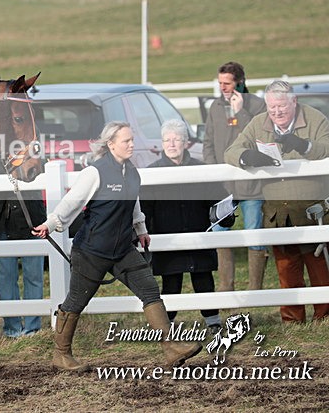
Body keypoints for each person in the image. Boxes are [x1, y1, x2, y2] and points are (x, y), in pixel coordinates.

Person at [32, 121, 201, 371]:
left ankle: (171, 348)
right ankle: (61, 354)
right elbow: (72, 202)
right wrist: (50, 223)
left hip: (123, 248)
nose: (132, 144)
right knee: (76, 302)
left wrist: (141, 230)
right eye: (126, 141)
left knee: (150, 291)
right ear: (111, 144)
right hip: (91, 251)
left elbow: (134, 204)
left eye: (132, 140)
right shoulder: (95, 172)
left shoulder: (132, 172)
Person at [225, 80, 329, 323]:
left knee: (318, 266)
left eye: (281, 106)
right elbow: (231, 150)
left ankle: (324, 316)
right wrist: (246, 156)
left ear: (294, 101)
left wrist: (305, 146)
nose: (276, 112)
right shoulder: (259, 123)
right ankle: (292, 317)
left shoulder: (316, 119)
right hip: (276, 211)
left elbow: (327, 148)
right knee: (286, 267)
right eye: (272, 108)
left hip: (310, 209)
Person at [141, 119, 224, 335]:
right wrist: (142, 232)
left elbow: (216, 200)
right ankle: (166, 326)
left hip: (199, 232)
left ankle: (213, 321)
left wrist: (224, 216)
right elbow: (145, 209)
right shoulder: (152, 172)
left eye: (176, 139)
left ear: (186, 142)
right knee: (171, 282)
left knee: (204, 279)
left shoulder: (201, 169)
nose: (171, 144)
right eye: (167, 140)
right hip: (168, 237)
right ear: (161, 143)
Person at [203, 61, 268, 293]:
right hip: (223, 185)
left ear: (239, 82)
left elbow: (258, 138)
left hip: (252, 183)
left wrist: (241, 112)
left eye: (227, 83)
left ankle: (254, 291)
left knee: (254, 235)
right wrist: (214, 172)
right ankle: (225, 290)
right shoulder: (215, 107)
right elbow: (208, 142)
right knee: (221, 235)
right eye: (220, 83)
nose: (223, 87)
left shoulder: (258, 106)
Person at [0, 191, 45, 338]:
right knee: (5, 279)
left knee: (34, 277)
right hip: (0, 220)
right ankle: (12, 328)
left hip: (32, 217)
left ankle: (32, 329)